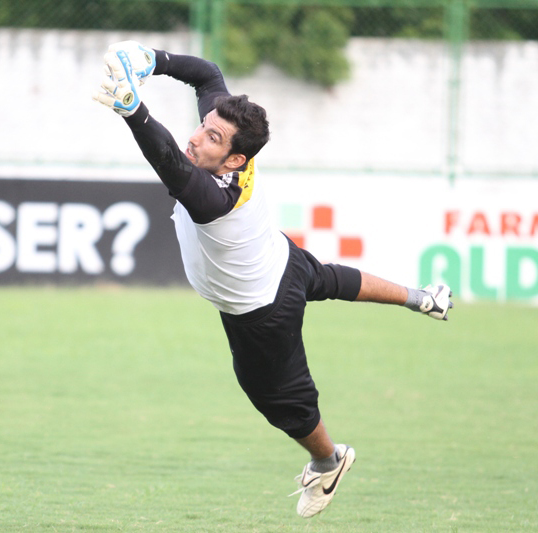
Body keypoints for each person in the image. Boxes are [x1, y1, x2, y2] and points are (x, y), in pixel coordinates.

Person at [93, 42, 453, 518]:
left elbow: (169, 163)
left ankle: (329, 459)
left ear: (234, 160)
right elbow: (207, 74)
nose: (198, 136)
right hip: (277, 255)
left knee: (280, 400)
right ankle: (419, 297)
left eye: (213, 137)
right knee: (325, 277)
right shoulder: (230, 144)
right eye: (204, 126)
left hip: (262, 310)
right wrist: (153, 59)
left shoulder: (212, 200)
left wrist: (134, 110)